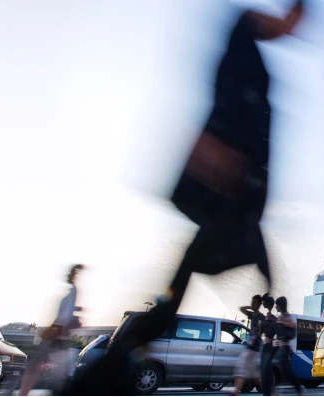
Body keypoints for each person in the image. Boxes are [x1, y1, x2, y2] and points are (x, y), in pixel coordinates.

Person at [65, 4, 307, 394]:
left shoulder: (253, 53)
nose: (294, 31)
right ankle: (100, 378)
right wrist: (215, 144)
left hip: (238, 204)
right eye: (296, 20)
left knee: (180, 293)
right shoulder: (244, 39)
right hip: (229, 197)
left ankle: (104, 375)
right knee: (182, 293)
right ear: (290, 13)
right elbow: (228, 91)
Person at [19, 264, 85, 395]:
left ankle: (23, 393)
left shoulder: (72, 291)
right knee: (55, 372)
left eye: (72, 273)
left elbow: (64, 317)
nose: (68, 276)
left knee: (36, 367)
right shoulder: (71, 292)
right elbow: (67, 314)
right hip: (59, 336)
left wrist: (52, 331)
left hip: (56, 336)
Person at [270, 297, 304, 396]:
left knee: (285, 372)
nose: (275, 307)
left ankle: (299, 388)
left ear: (281, 305)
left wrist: (280, 322)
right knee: (275, 368)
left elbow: (293, 325)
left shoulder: (286, 316)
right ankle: (274, 390)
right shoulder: (281, 316)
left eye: (277, 305)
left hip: (284, 348)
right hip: (280, 348)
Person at [232, 295, 264, 396]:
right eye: (252, 302)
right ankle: (267, 390)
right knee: (253, 372)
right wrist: (251, 307)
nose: (252, 304)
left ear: (259, 304)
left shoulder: (261, 317)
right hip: (250, 345)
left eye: (254, 302)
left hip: (254, 346)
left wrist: (256, 337)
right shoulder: (252, 315)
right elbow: (241, 308)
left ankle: (236, 391)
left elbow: (261, 332)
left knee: (242, 367)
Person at [259, 294, 277, 396]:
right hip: (265, 347)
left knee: (266, 372)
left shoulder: (272, 318)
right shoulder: (266, 317)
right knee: (265, 372)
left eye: (264, 302)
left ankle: (269, 392)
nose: (262, 304)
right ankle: (270, 392)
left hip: (269, 348)